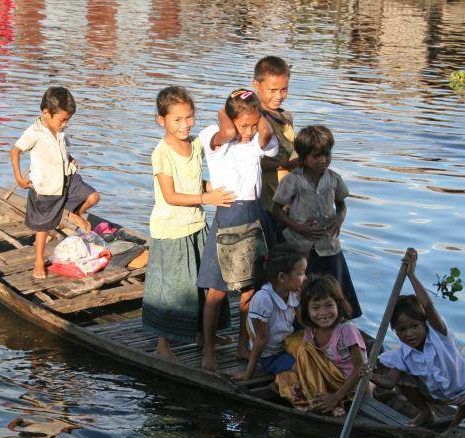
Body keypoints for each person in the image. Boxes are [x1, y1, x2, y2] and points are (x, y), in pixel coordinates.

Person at [142, 86, 236, 361]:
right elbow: (170, 195)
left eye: (189, 117)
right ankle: (163, 345)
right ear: (162, 121)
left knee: (200, 283)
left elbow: (195, 181)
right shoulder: (162, 153)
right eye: (177, 119)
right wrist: (206, 197)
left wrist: (215, 190)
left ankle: (201, 334)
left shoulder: (195, 144)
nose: (185, 125)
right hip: (172, 230)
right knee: (172, 288)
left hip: (196, 225)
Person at [197, 89, 278, 372]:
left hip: (253, 213)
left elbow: (266, 133)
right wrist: (227, 113)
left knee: (250, 289)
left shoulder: (256, 139)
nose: (249, 131)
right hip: (229, 215)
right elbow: (228, 131)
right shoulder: (213, 137)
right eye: (244, 125)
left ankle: (244, 344)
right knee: (217, 291)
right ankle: (209, 349)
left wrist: (257, 115)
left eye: (253, 124)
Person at [371, 248, 465, 427]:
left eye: (415, 326)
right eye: (402, 329)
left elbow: (427, 305)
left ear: (424, 323)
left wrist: (411, 275)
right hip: (436, 396)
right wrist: (365, 374)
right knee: (403, 379)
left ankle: (462, 413)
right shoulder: (402, 355)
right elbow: (389, 382)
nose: (409, 334)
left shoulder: (439, 335)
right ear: (395, 331)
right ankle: (425, 412)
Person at [272, 125, 362, 318]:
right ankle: (300, 323)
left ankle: (336, 322)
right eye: (316, 156)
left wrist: (339, 219)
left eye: (326, 155)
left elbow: (342, 205)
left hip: (327, 244)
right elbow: (277, 210)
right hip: (300, 245)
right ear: (303, 158)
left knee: (333, 286)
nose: (323, 161)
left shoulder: (333, 179)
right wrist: (299, 228)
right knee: (302, 288)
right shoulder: (293, 180)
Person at [11, 87, 100, 279]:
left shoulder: (60, 130)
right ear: (46, 113)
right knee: (42, 227)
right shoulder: (34, 133)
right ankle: (38, 261)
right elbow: (15, 151)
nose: (65, 124)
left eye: (67, 120)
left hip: (66, 180)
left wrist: (70, 158)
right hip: (46, 187)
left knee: (93, 197)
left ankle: (72, 213)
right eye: (62, 120)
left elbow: (62, 151)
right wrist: (19, 177)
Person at [276, 275, 367, 416]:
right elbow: (307, 362)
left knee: (305, 351)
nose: (323, 313)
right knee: (298, 359)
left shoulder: (346, 330)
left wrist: (336, 397)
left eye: (329, 305)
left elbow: (361, 368)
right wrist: (302, 381)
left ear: (338, 304)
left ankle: (331, 402)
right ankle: (319, 397)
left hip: (350, 384)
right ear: (307, 310)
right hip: (328, 379)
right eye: (315, 307)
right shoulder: (311, 330)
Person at [230, 244, 307, 381]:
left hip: (286, 345)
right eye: (301, 274)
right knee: (305, 369)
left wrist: (303, 301)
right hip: (270, 356)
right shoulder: (264, 299)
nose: (305, 278)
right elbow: (261, 339)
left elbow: (303, 322)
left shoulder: (292, 293)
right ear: (282, 277)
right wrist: (248, 374)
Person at [252, 55, 298, 245]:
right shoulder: (252, 119)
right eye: (272, 90)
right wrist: (284, 164)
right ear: (256, 85)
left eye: (284, 89)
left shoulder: (285, 117)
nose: (279, 96)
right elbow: (252, 160)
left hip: (286, 198)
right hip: (265, 201)